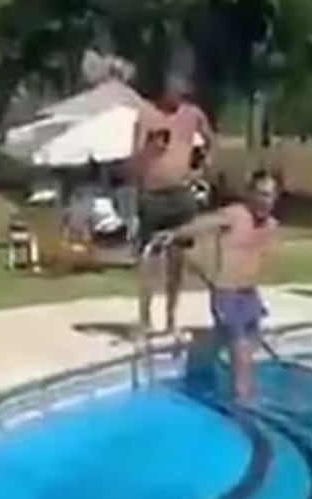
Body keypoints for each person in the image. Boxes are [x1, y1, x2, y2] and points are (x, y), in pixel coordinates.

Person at [170, 169, 282, 400]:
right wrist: (173, 234)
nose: (263, 201)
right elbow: (202, 224)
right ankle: (242, 411)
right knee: (241, 362)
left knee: (247, 352)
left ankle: (218, 384)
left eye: (269, 195)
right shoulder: (235, 215)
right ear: (249, 194)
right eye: (260, 194)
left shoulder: (271, 226)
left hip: (250, 295)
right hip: (227, 295)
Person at [131, 69, 217, 333]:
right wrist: (149, 151)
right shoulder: (146, 114)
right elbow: (133, 160)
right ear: (164, 88)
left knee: (177, 260)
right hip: (153, 194)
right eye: (173, 87)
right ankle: (145, 319)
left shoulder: (192, 115)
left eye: (182, 88)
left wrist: (202, 169)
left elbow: (212, 141)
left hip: (180, 194)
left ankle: (171, 318)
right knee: (149, 259)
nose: (177, 93)